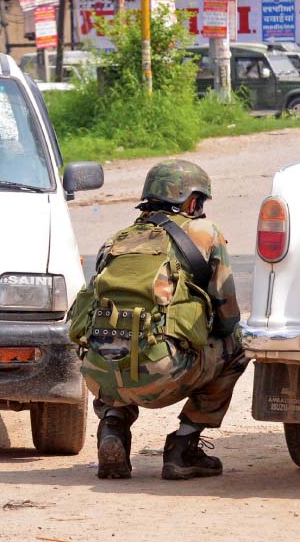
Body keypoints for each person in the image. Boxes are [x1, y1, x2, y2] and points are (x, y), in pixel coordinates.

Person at [68, 160, 247, 480]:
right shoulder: (205, 232)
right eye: (200, 202)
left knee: (117, 344)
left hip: (100, 374)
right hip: (162, 374)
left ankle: (112, 429)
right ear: (192, 201)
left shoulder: (116, 240)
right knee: (238, 348)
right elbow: (227, 316)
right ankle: (183, 448)